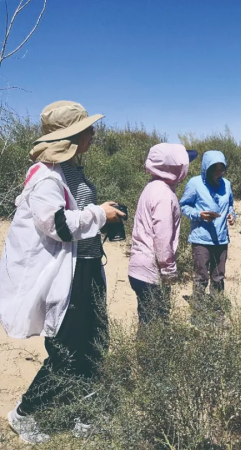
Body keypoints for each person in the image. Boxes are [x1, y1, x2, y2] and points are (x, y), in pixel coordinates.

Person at [0, 101, 124, 443]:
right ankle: (24, 413)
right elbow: (57, 225)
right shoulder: (46, 176)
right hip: (67, 277)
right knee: (66, 350)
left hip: (87, 267)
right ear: (70, 135)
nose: (94, 133)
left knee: (94, 345)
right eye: (88, 128)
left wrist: (103, 217)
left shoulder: (71, 168)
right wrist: (99, 214)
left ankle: (84, 413)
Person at [128, 143, 192, 325]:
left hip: (139, 268)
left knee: (147, 322)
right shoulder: (164, 194)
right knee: (156, 326)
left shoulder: (152, 187)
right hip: (151, 271)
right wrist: (169, 271)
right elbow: (162, 238)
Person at [180, 150, 235, 320]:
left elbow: (230, 205)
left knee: (218, 277)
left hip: (221, 239)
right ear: (206, 169)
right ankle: (198, 313)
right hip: (201, 239)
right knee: (201, 277)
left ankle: (216, 311)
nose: (219, 173)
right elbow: (184, 206)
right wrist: (199, 215)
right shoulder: (195, 183)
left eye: (221, 169)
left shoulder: (227, 184)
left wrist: (231, 215)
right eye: (215, 169)